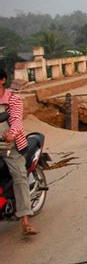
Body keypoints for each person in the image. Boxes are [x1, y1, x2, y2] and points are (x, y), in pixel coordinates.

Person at [0, 68, 38, 235]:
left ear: (2, 80)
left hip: (10, 146)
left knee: (19, 176)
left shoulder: (13, 100)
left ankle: (25, 220)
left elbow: (16, 121)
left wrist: (11, 134)